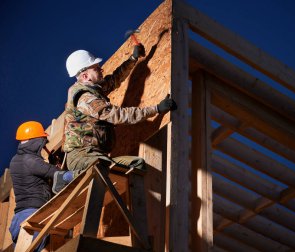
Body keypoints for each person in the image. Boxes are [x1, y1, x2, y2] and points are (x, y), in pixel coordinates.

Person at [63, 44, 177, 177]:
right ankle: (67, 177)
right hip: (81, 157)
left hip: (98, 155)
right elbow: (118, 115)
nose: (101, 69)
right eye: (96, 68)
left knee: (136, 164)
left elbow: (114, 80)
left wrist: (133, 58)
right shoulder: (85, 98)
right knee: (101, 169)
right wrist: (156, 109)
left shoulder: (93, 88)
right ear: (85, 76)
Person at [9, 121, 73, 251]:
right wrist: (76, 173)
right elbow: (56, 174)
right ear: (36, 141)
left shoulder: (17, 160)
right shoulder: (29, 160)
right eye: (43, 142)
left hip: (21, 219)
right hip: (33, 218)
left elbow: (36, 180)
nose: (44, 146)